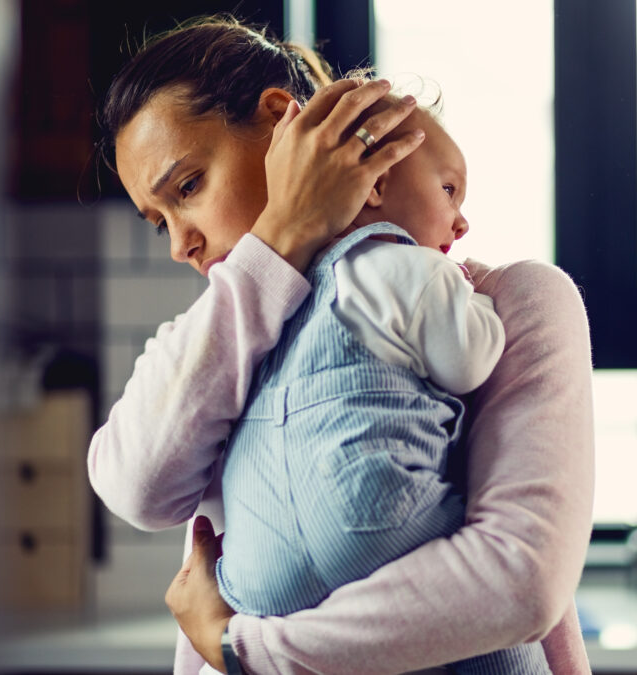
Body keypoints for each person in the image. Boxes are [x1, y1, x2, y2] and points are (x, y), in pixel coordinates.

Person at [87, 16, 594, 675]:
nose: (182, 242)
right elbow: (139, 487)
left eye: (188, 188)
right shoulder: (211, 337)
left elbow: (517, 582)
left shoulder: (505, 303)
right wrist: (277, 246)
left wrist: (245, 648)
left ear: (278, 121)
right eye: (162, 224)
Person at [212, 91, 552, 672]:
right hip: (374, 516)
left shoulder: (285, 291)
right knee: (496, 620)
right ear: (374, 187)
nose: (462, 219)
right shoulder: (412, 267)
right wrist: (483, 307)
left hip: (258, 568)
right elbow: (467, 362)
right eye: (449, 189)